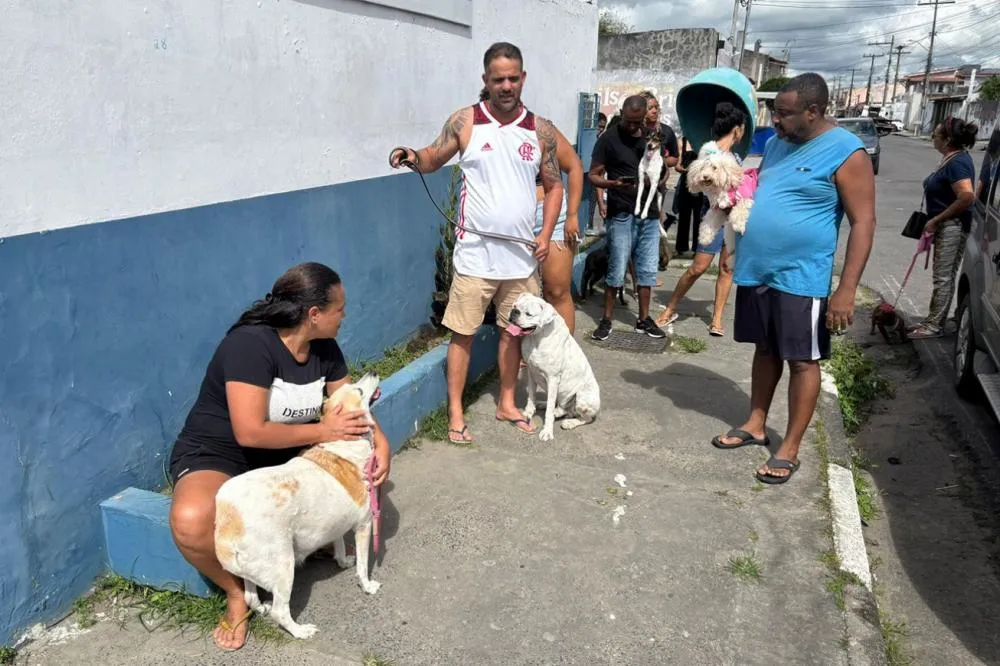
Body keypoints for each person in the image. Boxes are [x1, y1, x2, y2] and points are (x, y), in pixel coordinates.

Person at [168, 262, 392, 651]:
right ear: (314, 314)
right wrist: (324, 432)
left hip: (286, 455)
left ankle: (307, 542)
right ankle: (237, 593)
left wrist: (381, 443)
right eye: (340, 308)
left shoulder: (326, 348)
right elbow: (249, 431)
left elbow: (348, 405)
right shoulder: (250, 345)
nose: (345, 316)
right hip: (220, 452)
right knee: (191, 521)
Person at [390, 42, 564, 442]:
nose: (506, 85)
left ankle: (506, 403)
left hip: (520, 259)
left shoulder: (540, 130)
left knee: (512, 333)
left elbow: (553, 187)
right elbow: (433, 157)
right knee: (462, 334)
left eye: (513, 78)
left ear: (523, 78)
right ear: (486, 80)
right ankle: (455, 413)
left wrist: (544, 233)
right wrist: (411, 154)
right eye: (498, 78)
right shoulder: (465, 121)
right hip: (474, 257)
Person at [713, 73, 876, 485]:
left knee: (803, 360)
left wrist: (847, 289)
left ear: (814, 111)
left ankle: (789, 447)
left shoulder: (847, 152)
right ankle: (755, 423)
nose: (775, 120)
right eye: (775, 111)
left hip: (802, 277)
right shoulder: (778, 143)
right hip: (758, 269)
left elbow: (863, 222)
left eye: (784, 114)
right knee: (765, 348)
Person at [655, 103, 745, 337]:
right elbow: (705, 185)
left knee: (726, 268)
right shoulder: (710, 153)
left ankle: (716, 319)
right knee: (698, 267)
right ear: (737, 129)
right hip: (714, 215)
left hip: (733, 219)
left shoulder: (735, 156)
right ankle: (672, 307)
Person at [588, 95, 670, 341]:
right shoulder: (609, 139)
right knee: (617, 267)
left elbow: (663, 171)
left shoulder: (650, 138)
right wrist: (612, 184)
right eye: (629, 121)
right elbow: (593, 175)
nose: (633, 127)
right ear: (621, 113)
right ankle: (606, 319)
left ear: (645, 117)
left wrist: (657, 181)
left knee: (646, 270)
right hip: (621, 213)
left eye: (638, 122)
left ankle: (644, 319)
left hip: (649, 216)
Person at [908, 117, 979, 339]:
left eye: (936, 135)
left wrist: (938, 219)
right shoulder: (951, 159)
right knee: (942, 276)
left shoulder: (957, 163)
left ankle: (934, 325)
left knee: (943, 277)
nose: (932, 138)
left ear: (947, 139)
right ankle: (933, 319)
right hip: (946, 225)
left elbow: (967, 196)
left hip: (952, 226)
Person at [533, 131, 584, 333]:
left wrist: (572, 215)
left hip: (548, 212)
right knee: (517, 295)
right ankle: (522, 359)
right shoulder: (482, 130)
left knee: (556, 290)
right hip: (510, 219)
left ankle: (565, 357)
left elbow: (574, 166)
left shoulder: (540, 128)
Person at [672, 135, 703, 256]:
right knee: (684, 215)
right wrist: (687, 170)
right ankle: (681, 247)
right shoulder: (682, 142)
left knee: (699, 217)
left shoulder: (703, 141)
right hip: (686, 183)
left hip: (700, 184)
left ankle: (697, 248)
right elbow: (677, 165)